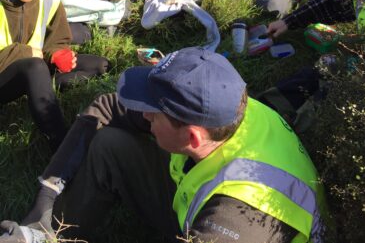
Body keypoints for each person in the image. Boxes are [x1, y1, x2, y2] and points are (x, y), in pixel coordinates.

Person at [0, 47, 326, 243]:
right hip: (196, 199)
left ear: (191, 137)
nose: (143, 116)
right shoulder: (222, 109)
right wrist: (43, 205)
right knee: (109, 144)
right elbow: (105, 107)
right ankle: (51, 234)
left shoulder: (238, 219)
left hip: (233, 223)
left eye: (153, 115)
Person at [0, 0, 109, 152]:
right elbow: (32, 56)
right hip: (5, 76)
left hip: (35, 67)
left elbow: (57, 40)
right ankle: (63, 147)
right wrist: (31, 52)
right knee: (35, 67)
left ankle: (38, 91)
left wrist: (57, 53)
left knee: (99, 65)